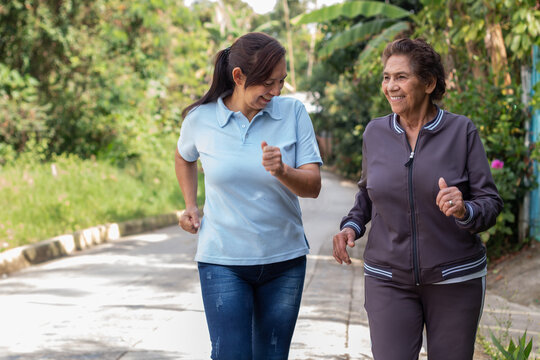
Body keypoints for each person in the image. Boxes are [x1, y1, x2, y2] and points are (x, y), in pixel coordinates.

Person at [332, 38, 503, 360]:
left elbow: (490, 203)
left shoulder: (461, 131)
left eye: (401, 77)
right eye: (386, 77)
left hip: (454, 277)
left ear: (429, 83)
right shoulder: (375, 133)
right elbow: (367, 195)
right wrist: (350, 228)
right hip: (387, 278)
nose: (390, 86)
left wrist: (464, 208)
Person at [175, 32, 322, 360]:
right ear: (238, 77)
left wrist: (283, 170)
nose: (276, 91)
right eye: (268, 83)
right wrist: (189, 205)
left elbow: (312, 186)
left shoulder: (294, 113)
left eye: (282, 81)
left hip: (284, 260)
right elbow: (184, 155)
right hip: (222, 261)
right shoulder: (201, 119)